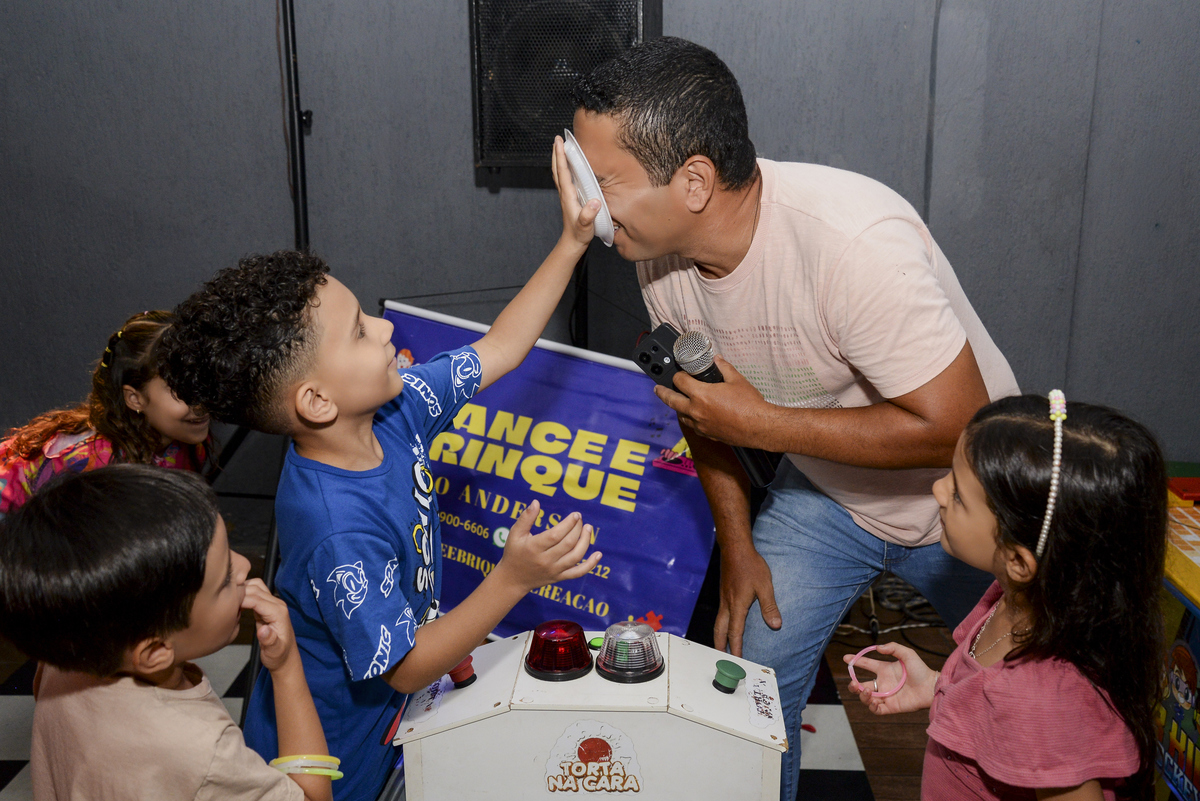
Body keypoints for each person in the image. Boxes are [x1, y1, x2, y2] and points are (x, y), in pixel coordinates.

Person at [570, 36, 1020, 796]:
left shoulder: (851, 243)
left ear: (694, 182)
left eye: (603, 182)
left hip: (974, 501)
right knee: (751, 682)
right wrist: (738, 544)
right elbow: (705, 411)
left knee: (1022, 695)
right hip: (828, 498)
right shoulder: (658, 256)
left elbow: (959, 427)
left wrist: (763, 426)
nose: (589, 209)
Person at [159, 138, 603, 800]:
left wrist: (571, 242)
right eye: (361, 332)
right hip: (337, 756)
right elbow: (406, 665)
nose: (386, 328)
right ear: (316, 401)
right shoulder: (336, 528)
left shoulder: (397, 408)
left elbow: (501, 347)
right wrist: (512, 577)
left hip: (396, 721)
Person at [845, 393, 1166, 799]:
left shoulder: (1043, 702)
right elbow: (992, 699)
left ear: (1018, 560)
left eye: (958, 495)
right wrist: (938, 687)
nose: (938, 490)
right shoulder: (1016, 599)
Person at [0, 465, 334, 801]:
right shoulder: (204, 752)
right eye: (224, 580)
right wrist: (286, 667)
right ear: (155, 652)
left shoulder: (70, 650)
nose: (245, 566)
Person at [0, 310, 212, 514]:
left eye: (206, 380)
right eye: (181, 389)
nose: (201, 401)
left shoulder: (189, 441)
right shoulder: (98, 466)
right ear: (135, 398)